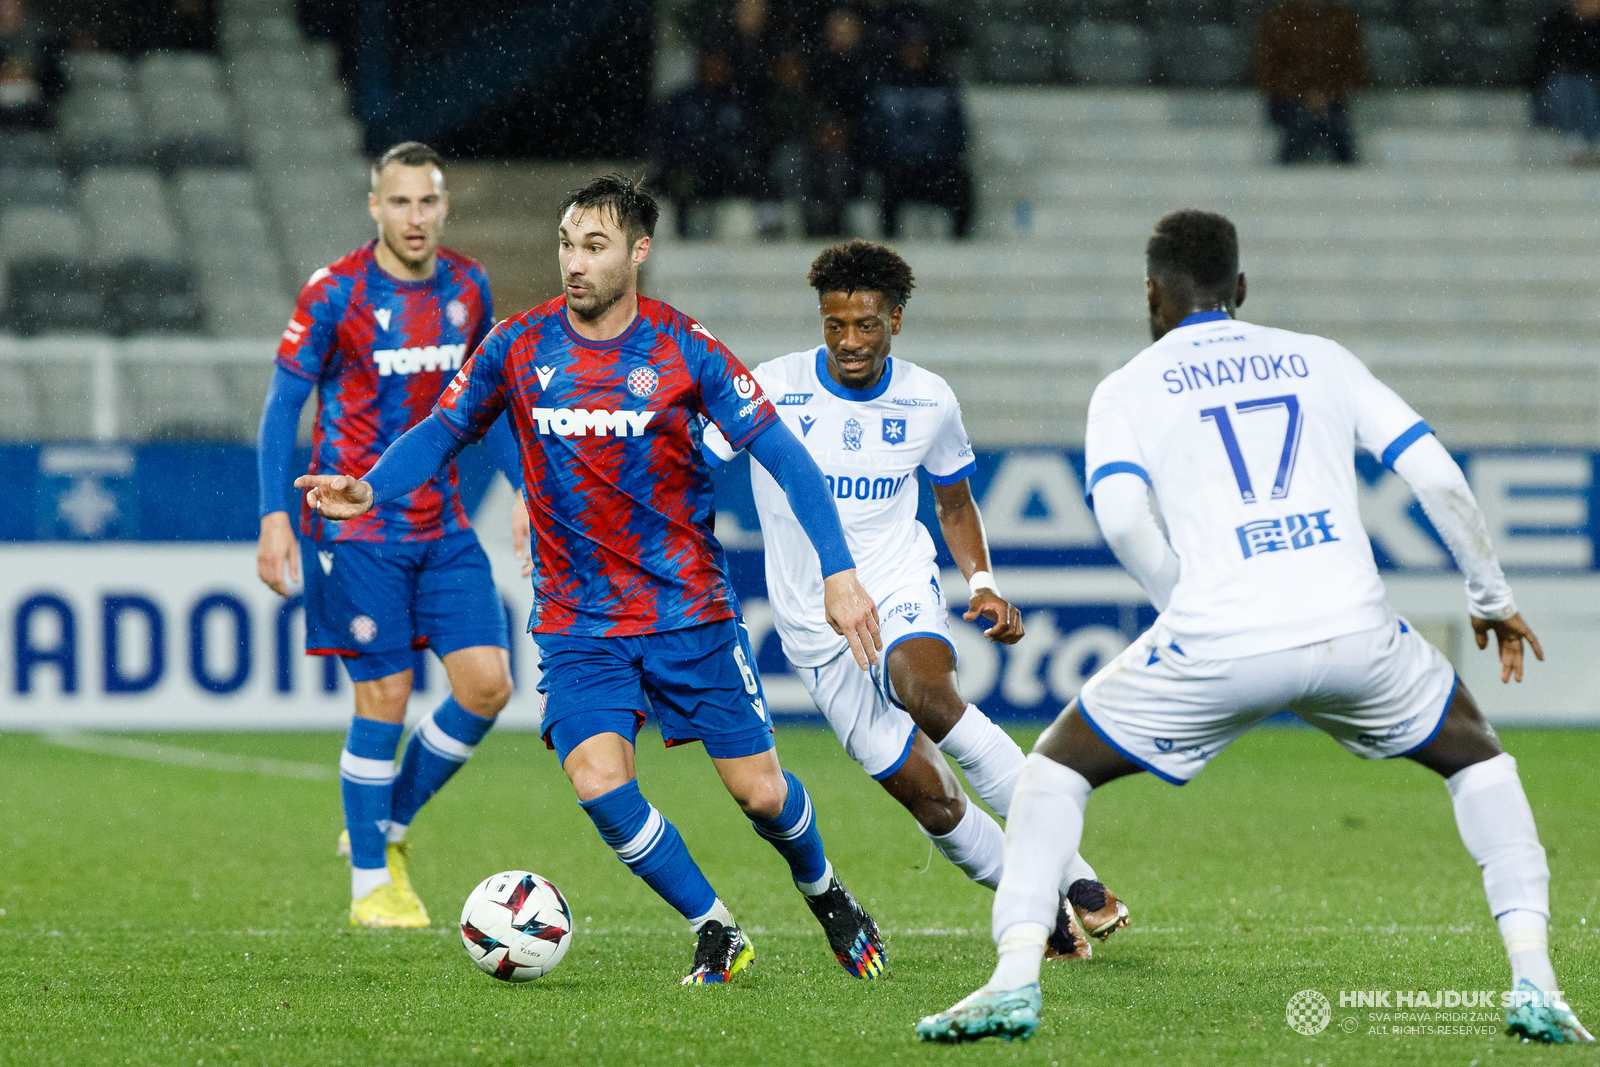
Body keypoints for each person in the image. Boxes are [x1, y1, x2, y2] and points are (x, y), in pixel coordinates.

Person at [916, 210, 1595, 1045]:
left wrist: (1189, 609)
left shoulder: (1128, 387)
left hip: (1218, 637)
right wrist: (1489, 595)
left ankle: (1014, 978)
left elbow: (1125, 519)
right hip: (1357, 634)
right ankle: (1537, 982)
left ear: (1153, 295)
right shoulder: (1323, 359)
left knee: (1054, 772)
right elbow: (1434, 472)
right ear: (1239, 289)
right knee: (1479, 760)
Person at [292, 175, 891, 986]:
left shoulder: (687, 349)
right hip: (579, 622)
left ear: (638, 252)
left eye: (595, 246)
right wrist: (368, 487)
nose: (575, 263)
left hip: (690, 613)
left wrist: (840, 570)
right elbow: (442, 430)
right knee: (598, 780)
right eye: (568, 244)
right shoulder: (517, 344)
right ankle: (713, 924)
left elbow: (785, 456)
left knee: (760, 794)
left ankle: (825, 892)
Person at [701, 240, 1129, 959]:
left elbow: (954, 503)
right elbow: (687, 462)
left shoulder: (929, 399)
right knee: (932, 798)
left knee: (926, 692)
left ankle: (1076, 875)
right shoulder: (769, 388)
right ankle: (1044, 907)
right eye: (835, 324)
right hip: (816, 630)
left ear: (895, 319)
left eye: (866, 324)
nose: (849, 342)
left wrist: (984, 583)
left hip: (896, 584)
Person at [256, 141, 525, 930]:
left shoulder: (468, 287)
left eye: (428, 202)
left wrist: (522, 487)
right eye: (399, 202)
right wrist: (275, 516)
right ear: (375, 206)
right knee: (385, 694)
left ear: (444, 207)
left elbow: (484, 405)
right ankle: (371, 883)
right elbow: (282, 409)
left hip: (441, 523)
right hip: (354, 526)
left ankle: (384, 825)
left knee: (487, 685)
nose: (415, 217)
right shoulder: (335, 292)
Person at [869, 27, 973, 239]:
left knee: (962, 186)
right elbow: (875, 133)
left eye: (920, 48)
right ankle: (889, 245)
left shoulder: (944, 86)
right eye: (909, 48)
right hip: (897, 168)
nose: (914, 54)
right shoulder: (886, 85)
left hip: (936, 168)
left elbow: (958, 133)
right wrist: (893, 158)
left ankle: (959, 247)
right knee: (886, 187)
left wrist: (939, 158)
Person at [1251, 0, 1365, 165]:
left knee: (1339, 132)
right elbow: (1265, 69)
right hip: (1286, 101)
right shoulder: (1277, 19)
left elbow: (1355, 67)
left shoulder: (1342, 19)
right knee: (1301, 127)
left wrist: (1326, 93)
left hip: (1332, 102)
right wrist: (1304, 94)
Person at [1532, 0, 1600, 165]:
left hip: (1590, 96)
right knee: (1566, 84)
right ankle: (1578, 140)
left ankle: (1588, 141)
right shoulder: (1559, 24)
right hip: (1558, 97)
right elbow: (1543, 67)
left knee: (1585, 86)